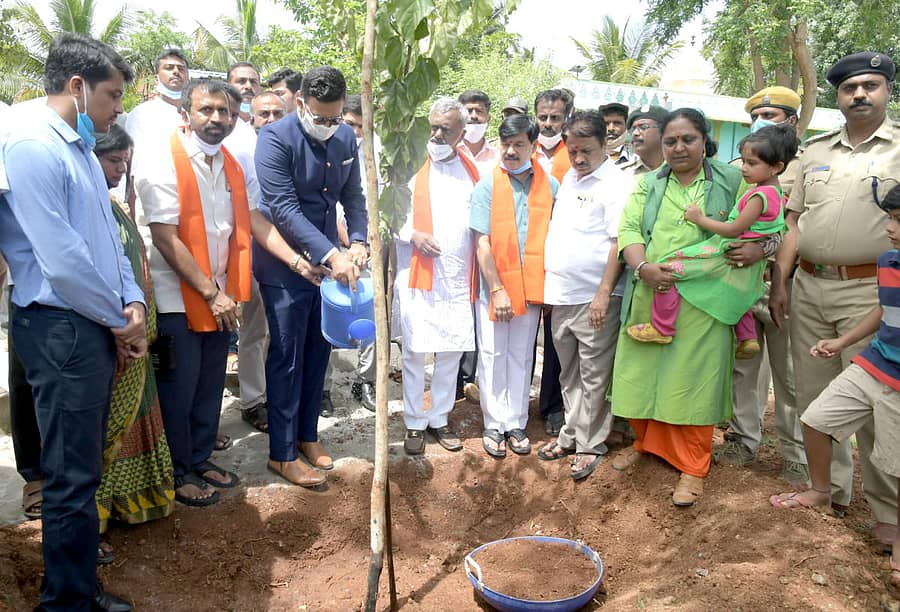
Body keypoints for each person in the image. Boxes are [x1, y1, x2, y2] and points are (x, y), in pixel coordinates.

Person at [0, 32, 144, 611]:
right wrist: (119, 319)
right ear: (78, 86)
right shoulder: (32, 146)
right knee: (70, 478)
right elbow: (61, 259)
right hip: (62, 327)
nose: (117, 109)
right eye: (112, 95)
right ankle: (64, 602)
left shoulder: (77, 144)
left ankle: (77, 588)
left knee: (80, 471)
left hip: (90, 321)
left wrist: (130, 298)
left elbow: (106, 237)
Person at [770, 51, 900, 550]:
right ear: (838, 96)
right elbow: (793, 222)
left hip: (874, 291)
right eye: (850, 88)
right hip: (809, 286)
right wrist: (781, 280)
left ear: (887, 90)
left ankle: (888, 511)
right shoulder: (815, 150)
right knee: (815, 394)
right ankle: (830, 493)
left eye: (870, 85)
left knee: (877, 401)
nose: (860, 95)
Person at [770, 184, 900, 594]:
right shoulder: (889, 260)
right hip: (876, 362)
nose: (891, 228)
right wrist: (843, 344)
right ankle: (821, 492)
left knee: (895, 463)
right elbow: (884, 308)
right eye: (891, 219)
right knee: (816, 419)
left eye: (898, 221)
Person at [612, 108, 744, 507]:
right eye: (670, 141)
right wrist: (644, 267)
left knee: (694, 380)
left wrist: (759, 248)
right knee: (642, 372)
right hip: (651, 291)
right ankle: (647, 444)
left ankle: (693, 465)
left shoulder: (732, 180)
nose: (679, 148)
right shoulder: (648, 184)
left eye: (688, 139)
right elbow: (630, 229)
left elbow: (763, 224)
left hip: (706, 297)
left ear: (705, 140)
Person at [255, 66, 367, 485]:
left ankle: (307, 436)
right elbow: (281, 207)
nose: (327, 126)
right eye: (319, 118)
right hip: (286, 267)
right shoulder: (274, 139)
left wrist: (357, 242)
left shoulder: (343, 137)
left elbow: (353, 196)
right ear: (299, 103)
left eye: (334, 118)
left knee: (319, 352)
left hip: (331, 266)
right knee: (288, 355)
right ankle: (281, 453)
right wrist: (329, 253)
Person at [627, 124, 797, 360]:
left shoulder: (758, 195)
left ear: (777, 167)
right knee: (739, 292)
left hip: (727, 248)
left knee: (672, 267)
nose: (744, 168)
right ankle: (747, 336)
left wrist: (699, 219)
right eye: (744, 161)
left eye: (752, 163)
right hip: (745, 259)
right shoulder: (777, 194)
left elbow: (733, 229)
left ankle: (662, 327)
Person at [716, 86, 808, 487]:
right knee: (744, 368)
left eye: (773, 114)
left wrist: (769, 257)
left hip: (786, 282)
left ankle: (799, 455)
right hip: (742, 284)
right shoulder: (739, 166)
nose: (763, 121)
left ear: (791, 119)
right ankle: (742, 439)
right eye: (758, 114)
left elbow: (791, 225)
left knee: (790, 374)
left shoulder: (804, 165)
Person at [536, 110, 632, 480]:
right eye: (571, 149)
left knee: (594, 374)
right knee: (568, 373)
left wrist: (604, 294)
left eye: (585, 151)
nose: (577, 158)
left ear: (605, 143)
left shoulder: (616, 184)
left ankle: (591, 445)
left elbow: (617, 243)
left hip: (594, 297)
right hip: (561, 294)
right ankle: (572, 434)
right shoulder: (571, 179)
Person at [93, 125, 175, 534]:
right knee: (105, 429)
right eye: (112, 160)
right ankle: (96, 520)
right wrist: (122, 329)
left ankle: (131, 503)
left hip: (136, 333)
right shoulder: (88, 209)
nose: (119, 170)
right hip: (113, 335)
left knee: (135, 414)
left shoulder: (112, 204)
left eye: (125, 162)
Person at [470, 114, 559, 457]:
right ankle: (494, 423)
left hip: (532, 287)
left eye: (518, 144)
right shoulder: (487, 185)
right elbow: (481, 243)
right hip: (494, 288)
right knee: (493, 354)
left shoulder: (550, 187)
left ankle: (516, 422)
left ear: (533, 147)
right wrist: (497, 289)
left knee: (521, 355)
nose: (510, 151)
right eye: (505, 144)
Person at [395, 98, 479, 454]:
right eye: (434, 126)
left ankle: (440, 418)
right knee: (415, 351)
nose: (438, 134)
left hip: (457, 277)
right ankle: (414, 422)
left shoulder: (474, 171)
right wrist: (412, 234)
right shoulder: (410, 165)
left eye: (447, 128)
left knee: (450, 353)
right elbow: (388, 213)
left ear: (462, 133)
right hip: (418, 274)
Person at [224, 63, 270, 434]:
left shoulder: (287, 139)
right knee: (253, 329)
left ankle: (278, 395)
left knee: (279, 330)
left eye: (254, 81)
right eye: (241, 81)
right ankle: (254, 400)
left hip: (286, 251)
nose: (248, 86)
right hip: (245, 246)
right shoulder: (229, 139)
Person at [533, 89, 572, 435]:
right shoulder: (521, 148)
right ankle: (513, 406)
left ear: (566, 118)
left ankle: (552, 407)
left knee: (555, 337)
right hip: (524, 259)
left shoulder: (573, 154)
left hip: (559, 258)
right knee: (518, 338)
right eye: (542, 117)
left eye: (555, 118)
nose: (547, 124)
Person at [124, 48, 189, 219]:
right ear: (156, 78)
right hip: (152, 205)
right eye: (169, 68)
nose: (176, 72)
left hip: (191, 201)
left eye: (181, 69)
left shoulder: (195, 116)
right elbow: (132, 168)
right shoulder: (141, 115)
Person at [458, 89, 501, 175]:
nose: (473, 116)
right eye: (468, 111)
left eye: (479, 111)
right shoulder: (449, 153)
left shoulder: (498, 158)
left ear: (488, 118)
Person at [621, 105, 667, 176]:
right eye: (633, 129)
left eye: (643, 127)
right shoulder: (623, 173)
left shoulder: (681, 171)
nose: (635, 133)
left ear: (663, 131)